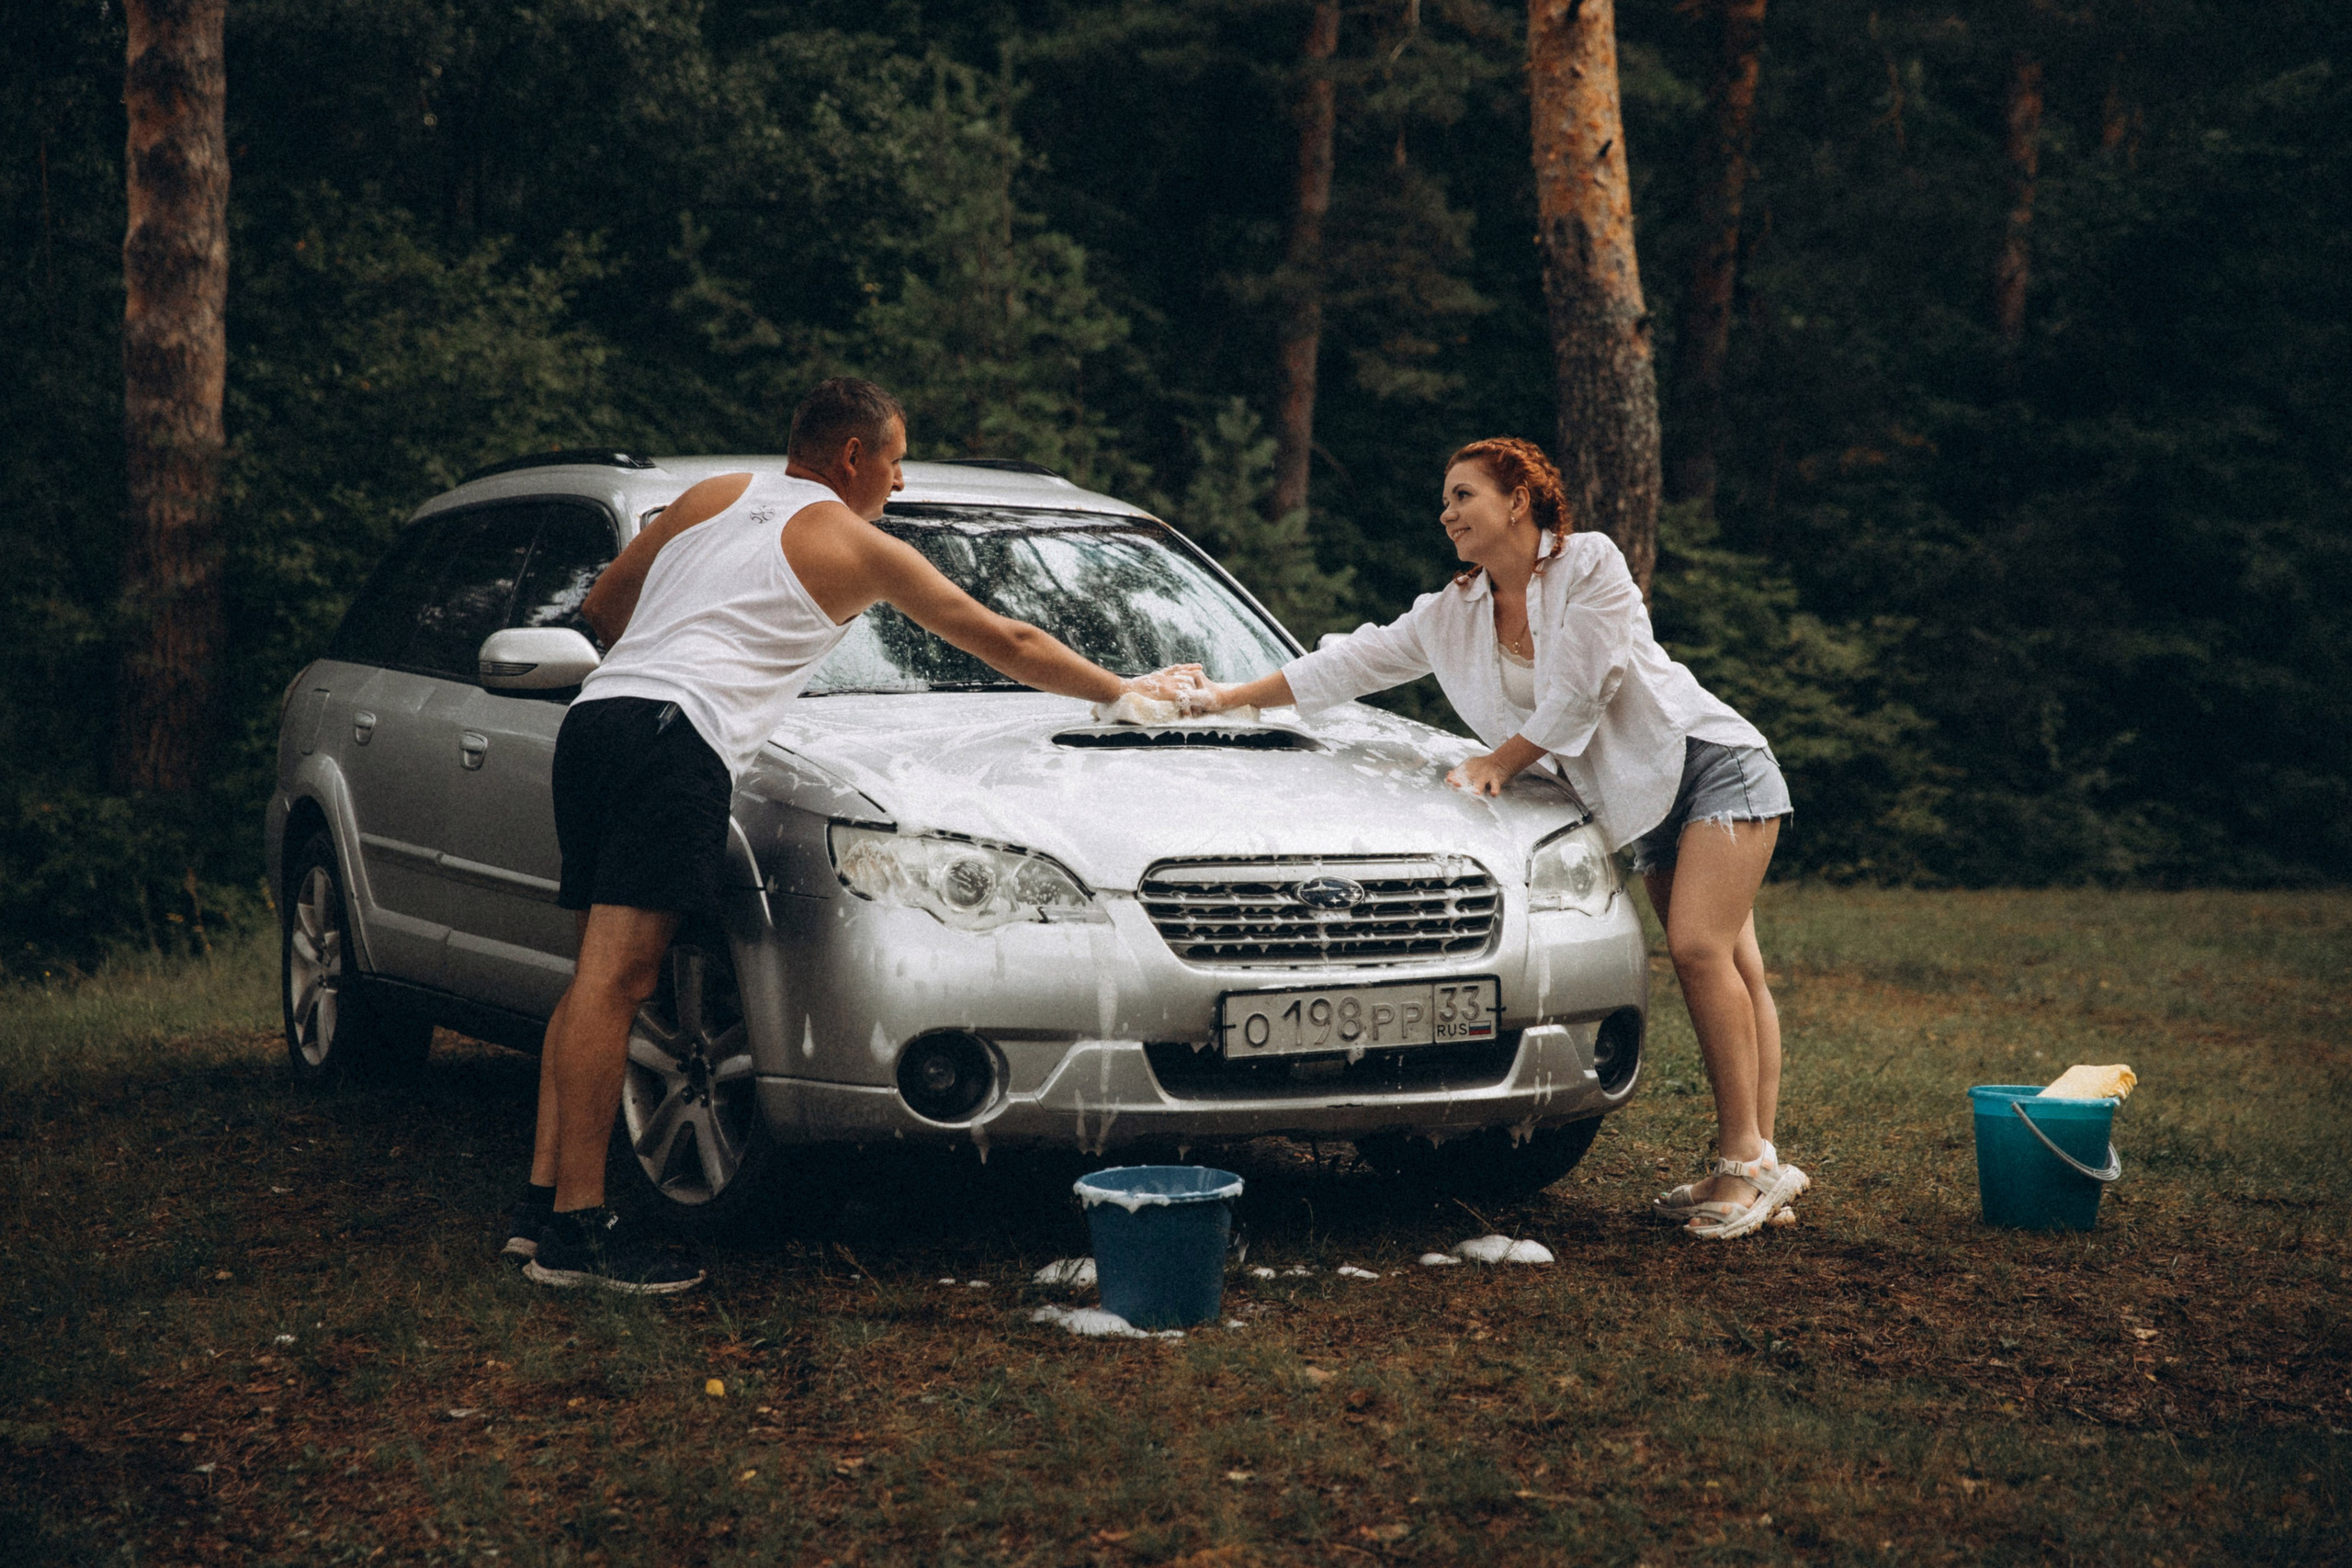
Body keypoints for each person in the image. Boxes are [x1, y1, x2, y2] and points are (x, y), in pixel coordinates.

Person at [506, 378, 1198, 1292]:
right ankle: (579, 1237)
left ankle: (543, 1207)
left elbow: (601, 610)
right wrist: (1122, 691)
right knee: (619, 981)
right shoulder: (854, 544)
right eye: (897, 459)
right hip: (675, 742)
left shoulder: (713, 497)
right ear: (851, 459)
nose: (900, 483)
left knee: (593, 978)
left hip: (600, 724)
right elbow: (1006, 640)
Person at [1185, 436, 1804, 1239]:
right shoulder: (1456, 611)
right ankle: (1758, 1162)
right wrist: (1231, 697)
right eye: (1444, 501)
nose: (1446, 514)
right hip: (1642, 797)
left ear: (1518, 498)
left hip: (1708, 762)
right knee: (1736, 966)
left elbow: (1586, 688)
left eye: (1463, 495)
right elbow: (1349, 664)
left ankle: (1743, 1160)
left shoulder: (1591, 565)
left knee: (1697, 950)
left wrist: (1498, 764)